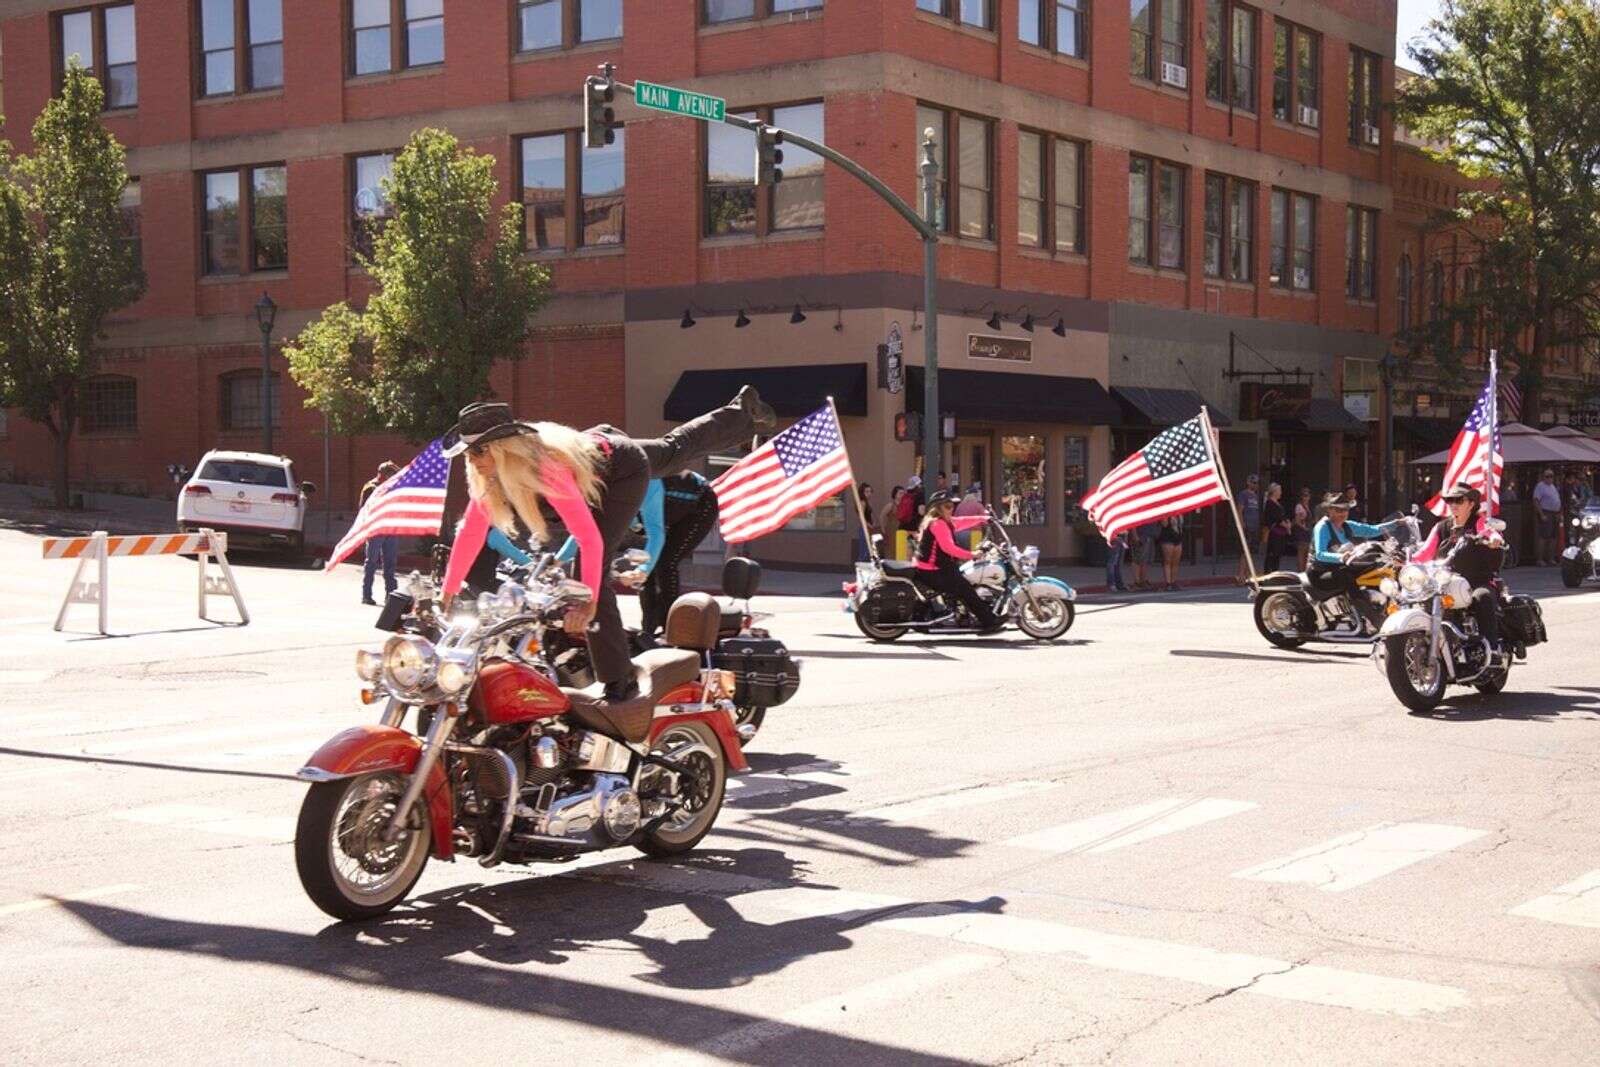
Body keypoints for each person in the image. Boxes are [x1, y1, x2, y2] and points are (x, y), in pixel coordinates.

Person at [440, 387, 773, 702]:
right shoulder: (493, 479)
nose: (472, 460)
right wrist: (448, 589)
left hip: (621, 471)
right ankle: (741, 411)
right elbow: (470, 531)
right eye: (468, 452)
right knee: (673, 448)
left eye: (478, 450)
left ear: (504, 448)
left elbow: (588, 538)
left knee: (587, 572)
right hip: (598, 459)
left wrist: (589, 603)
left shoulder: (547, 469)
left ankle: (620, 680)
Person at [1413, 482, 1505, 650]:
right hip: (1445, 582)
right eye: (1450, 501)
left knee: (1482, 597)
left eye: (1459, 500)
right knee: (1423, 599)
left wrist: (1493, 539)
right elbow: (1425, 553)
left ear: (1471, 504)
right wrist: (1406, 562)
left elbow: (1488, 531)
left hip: (1477, 580)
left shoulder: (1478, 522)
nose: (1453, 505)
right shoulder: (1441, 527)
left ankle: (1492, 649)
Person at [913, 490, 1000, 631]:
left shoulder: (944, 522)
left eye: (952, 505)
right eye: (947, 506)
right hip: (933, 570)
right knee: (966, 589)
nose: (951, 509)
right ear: (938, 508)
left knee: (964, 580)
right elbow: (949, 548)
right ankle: (989, 621)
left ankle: (965, 614)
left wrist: (984, 518)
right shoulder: (938, 524)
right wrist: (972, 554)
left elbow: (963, 522)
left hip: (934, 568)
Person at [1308, 492, 1399, 602]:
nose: (1343, 513)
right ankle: (1361, 603)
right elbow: (1320, 554)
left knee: (1373, 568)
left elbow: (1372, 530)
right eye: (1338, 510)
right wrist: (1341, 557)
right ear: (1329, 510)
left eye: (1346, 509)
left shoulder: (1347, 525)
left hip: (1338, 567)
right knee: (1346, 576)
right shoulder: (1322, 527)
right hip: (1320, 573)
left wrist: (1397, 523)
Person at [360, 461, 400, 605]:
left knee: (390, 565)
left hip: (391, 529)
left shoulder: (395, 487)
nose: (394, 476)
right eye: (391, 473)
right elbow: (363, 509)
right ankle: (366, 595)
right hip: (376, 530)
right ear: (382, 474)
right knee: (371, 563)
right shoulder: (371, 487)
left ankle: (391, 597)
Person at [1533, 468, 1562, 565]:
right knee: (1543, 537)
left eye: (1551, 476)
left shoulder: (1553, 486)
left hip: (1555, 514)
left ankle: (1551, 558)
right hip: (1546, 513)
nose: (1550, 478)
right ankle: (1540, 559)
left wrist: (1558, 513)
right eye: (1547, 476)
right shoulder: (1540, 486)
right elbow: (1536, 500)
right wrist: (1541, 514)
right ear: (1543, 477)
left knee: (1553, 537)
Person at [1235, 473, 1260, 583]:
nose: (1255, 485)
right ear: (1248, 482)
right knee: (1244, 552)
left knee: (1250, 552)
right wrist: (1241, 523)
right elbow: (1239, 509)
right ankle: (1240, 576)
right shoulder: (1243, 494)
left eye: (1257, 483)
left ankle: (1247, 575)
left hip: (1254, 526)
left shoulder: (1256, 496)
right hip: (1246, 526)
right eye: (1253, 482)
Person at [1262, 482, 1290, 573]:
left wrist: (1288, 524)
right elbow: (1274, 518)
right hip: (1274, 533)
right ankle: (1268, 574)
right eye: (1279, 490)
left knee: (1277, 555)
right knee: (1272, 554)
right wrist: (1284, 524)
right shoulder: (1269, 503)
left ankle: (1275, 573)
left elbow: (1283, 516)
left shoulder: (1278, 504)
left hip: (1281, 533)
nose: (1281, 492)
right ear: (1274, 492)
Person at [1157, 515, 1184, 591]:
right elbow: (1164, 524)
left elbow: (1181, 526)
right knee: (1167, 561)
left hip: (1178, 538)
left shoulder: (1179, 515)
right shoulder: (1166, 513)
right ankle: (1168, 583)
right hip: (1167, 538)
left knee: (1176, 562)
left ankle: (1174, 581)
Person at [1131, 519, 1158, 590]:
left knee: (1147, 560)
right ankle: (1137, 582)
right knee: (1138, 559)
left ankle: (1143, 580)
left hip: (1150, 535)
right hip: (1141, 535)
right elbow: (1132, 522)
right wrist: (1135, 536)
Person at [854, 483, 877, 563]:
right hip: (864, 529)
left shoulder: (867, 502)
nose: (869, 494)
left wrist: (873, 523)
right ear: (862, 492)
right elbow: (861, 517)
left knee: (868, 550)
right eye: (866, 492)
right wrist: (869, 525)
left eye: (870, 491)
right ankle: (860, 569)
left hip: (868, 528)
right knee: (864, 551)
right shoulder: (862, 502)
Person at [1292, 487, 1313, 571]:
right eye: (1304, 495)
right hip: (1301, 532)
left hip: (1307, 532)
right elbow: (1297, 521)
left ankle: (1304, 571)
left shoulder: (1307, 506)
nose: (1306, 497)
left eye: (1307, 495)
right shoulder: (1299, 506)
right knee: (1301, 553)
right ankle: (1300, 572)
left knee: (1306, 554)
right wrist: (1304, 528)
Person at [881, 486, 904, 561]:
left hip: (900, 530)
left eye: (903, 493)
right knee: (890, 549)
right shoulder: (890, 505)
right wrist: (883, 529)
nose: (902, 495)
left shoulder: (904, 505)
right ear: (895, 494)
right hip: (891, 530)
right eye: (900, 493)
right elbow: (882, 516)